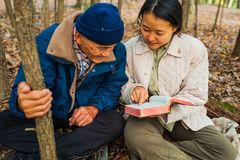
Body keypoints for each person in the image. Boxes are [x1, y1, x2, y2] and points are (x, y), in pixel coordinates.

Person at [0, 3, 128, 160]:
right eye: (102, 48)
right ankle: (71, 147)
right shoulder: (47, 43)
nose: (108, 54)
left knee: (115, 122)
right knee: (3, 124)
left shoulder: (118, 50)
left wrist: (93, 108)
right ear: (78, 37)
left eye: (112, 47)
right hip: (48, 116)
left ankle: (36, 154)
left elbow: (112, 85)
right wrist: (24, 103)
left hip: (83, 118)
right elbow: (25, 94)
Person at [121, 0, 237, 160]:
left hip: (181, 115)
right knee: (135, 137)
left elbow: (196, 93)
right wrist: (133, 89)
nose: (150, 37)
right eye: (145, 29)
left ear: (175, 28)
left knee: (225, 152)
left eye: (159, 33)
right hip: (144, 116)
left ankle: (152, 152)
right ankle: (152, 150)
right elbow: (123, 82)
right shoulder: (129, 48)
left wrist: (172, 103)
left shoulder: (194, 49)